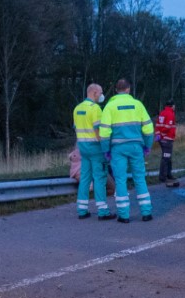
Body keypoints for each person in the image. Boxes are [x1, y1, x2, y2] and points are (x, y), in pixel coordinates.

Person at [99, 78, 155, 223]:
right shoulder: (138, 105)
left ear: (116, 90)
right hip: (136, 147)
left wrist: (106, 150)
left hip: (118, 149)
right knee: (140, 178)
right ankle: (146, 213)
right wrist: (147, 146)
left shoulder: (110, 107)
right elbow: (149, 129)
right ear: (128, 89)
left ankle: (124, 215)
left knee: (120, 180)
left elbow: (104, 133)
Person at [72, 83, 111, 220]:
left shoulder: (77, 108)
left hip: (82, 147)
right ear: (94, 92)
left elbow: (76, 128)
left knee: (85, 178)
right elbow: (98, 131)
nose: (101, 95)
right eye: (100, 93)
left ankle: (82, 210)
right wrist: (106, 147)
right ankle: (103, 211)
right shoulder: (95, 109)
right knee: (99, 178)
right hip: (95, 148)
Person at [154, 99, 179, 187]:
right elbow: (168, 127)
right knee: (166, 158)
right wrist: (163, 134)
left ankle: (168, 174)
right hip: (167, 139)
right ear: (172, 106)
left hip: (162, 139)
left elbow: (157, 125)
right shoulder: (170, 113)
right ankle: (163, 176)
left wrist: (158, 134)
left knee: (167, 157)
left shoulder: (162, 113)